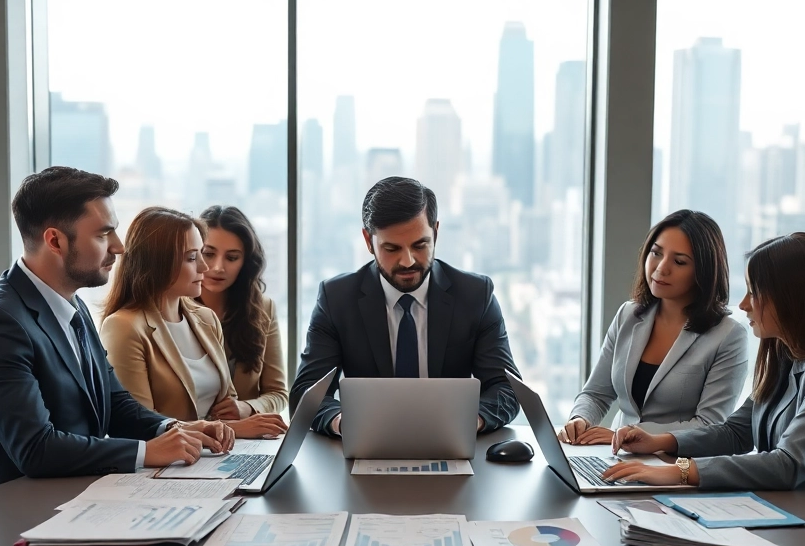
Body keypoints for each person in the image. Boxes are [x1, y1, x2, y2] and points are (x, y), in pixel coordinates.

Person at [0, 168, 234, 505]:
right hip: (3, 511)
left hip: (71, 494)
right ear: (55, 241)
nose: (119, 247)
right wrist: (146, 452)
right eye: (103, 235)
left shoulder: (71, 305)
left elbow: (115, 403)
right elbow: (36, 449)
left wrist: (172, 428)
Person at [601, 232, 805, 515]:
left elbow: (789, 464)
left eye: (754, 293)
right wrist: (659, 441)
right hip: (798, 513)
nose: (744, 305)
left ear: (792, 299)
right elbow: (736, 433)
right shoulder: (787, 354)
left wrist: (678, 471)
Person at [291, 176, 520, 437]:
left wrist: (470, 421)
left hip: (451, 445)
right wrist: (345, 423)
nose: (408, 261)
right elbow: (306, 393)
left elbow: (507, 389)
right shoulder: (337, 299)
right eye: (391, 248)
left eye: (420, 245)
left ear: (435, 232)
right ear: (368, 241)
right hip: (367, 447)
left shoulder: (476, 295)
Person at [559, 210, 747, 445]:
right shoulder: (628, 314)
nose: (661, 268)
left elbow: (710, 424)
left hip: (677, 462)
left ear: (704, 271)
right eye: (656, 253)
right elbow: (596, 393)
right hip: (616, 454)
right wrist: (580, 419)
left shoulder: (729, 336)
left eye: (679, 262)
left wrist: (629, 433)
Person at [99, 207, 287, 439]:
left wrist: (236, 423)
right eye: (192, 257)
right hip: (172, 459)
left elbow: (227, 404)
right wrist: (233, 429)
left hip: (220, 451)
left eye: (200, 254)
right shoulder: (123, 326)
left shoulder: (206, 319)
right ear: (158, 263)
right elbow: (139, 426)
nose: (205, 267)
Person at [196, 205, 289, 418]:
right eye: (208, 254)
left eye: (231, 258)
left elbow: (278, 393)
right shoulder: (173, 308)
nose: (218, 267)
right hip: (189, 432)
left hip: (245, 434)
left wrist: (246, 408)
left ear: (245, 262)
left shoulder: (263, 309)